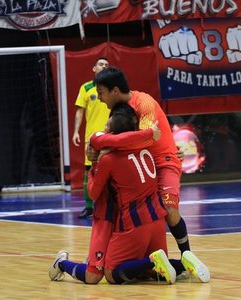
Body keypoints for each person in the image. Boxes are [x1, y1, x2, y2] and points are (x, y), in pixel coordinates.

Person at [49, 103, 206, 284]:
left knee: (105, 274)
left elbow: (93, 193)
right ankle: (184, 263)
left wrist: (94, 166)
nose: (104, 129)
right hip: (155, 219)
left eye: (107, 126)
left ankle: (61, 263)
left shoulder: (108, 157)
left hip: (124, 220)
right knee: (143, 272)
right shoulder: (146, 147)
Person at [87, 66, 210, 282]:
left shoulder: (143, 103)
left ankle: (187, 255)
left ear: (115, 90)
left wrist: (100, 142)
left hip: (163, 162)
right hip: (144, 165)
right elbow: (129, 139)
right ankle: (152, 261)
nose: (99, 98)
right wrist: (97, 144)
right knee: (143, 213)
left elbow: (142, 139)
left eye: (102, 92)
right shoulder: (120, 108)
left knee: (169, 208)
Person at [72, 57, 110, 219]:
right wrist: (75, 132)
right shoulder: (86, 88)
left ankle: (111, 206)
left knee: (112, 170)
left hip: (111, 136)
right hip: (92, 138)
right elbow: (80, 111)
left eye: (107, 65)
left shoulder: (112, 88)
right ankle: (89, 207)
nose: (104, 67)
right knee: (89, 172)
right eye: (101, 64)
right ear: (94, 68)